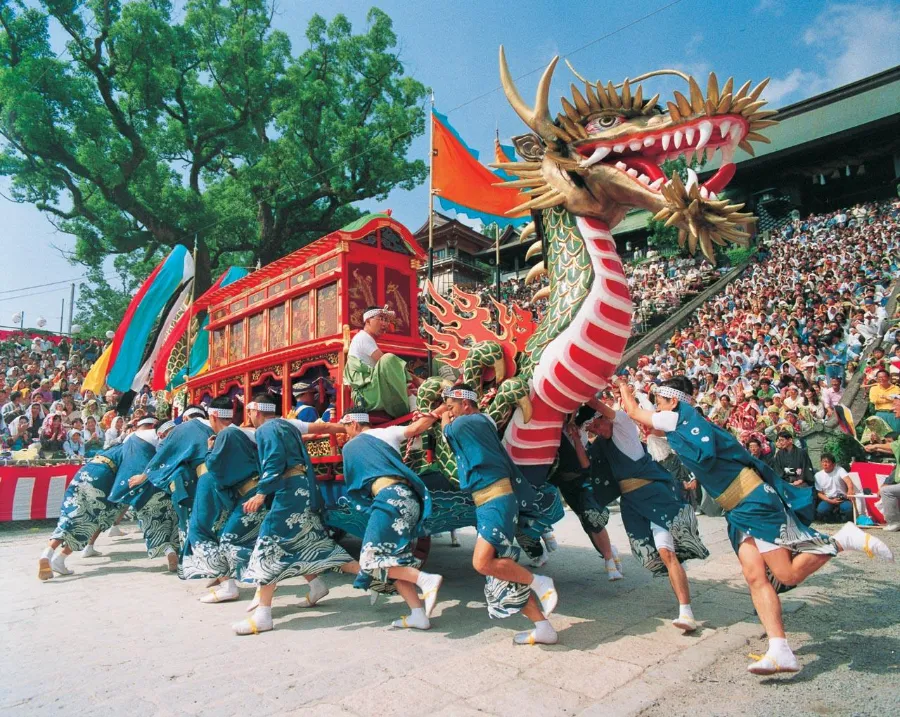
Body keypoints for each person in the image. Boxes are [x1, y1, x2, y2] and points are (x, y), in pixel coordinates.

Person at [618, 375, 893, 676]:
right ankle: (780, 650)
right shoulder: (684, 425)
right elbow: (645, 424)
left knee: (785, 573)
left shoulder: (679, 417)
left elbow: (633, 412)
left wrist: (621, 386)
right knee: (754, 576)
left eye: (658, 402)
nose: (655, 409)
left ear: (671, 401)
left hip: (751, 500)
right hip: (737, 508)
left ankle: (842, 540)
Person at [232, 394, 365, 636]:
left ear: (256, 411)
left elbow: (273, 459)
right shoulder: (286, 425)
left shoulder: (267, 429)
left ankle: (263, 615)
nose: (247, 416)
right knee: (305, 543)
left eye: (249, 411)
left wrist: (261, 493)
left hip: (288, 492)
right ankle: (373, 577)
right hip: (301, 489)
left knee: (269, 545)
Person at [441, 384, 560, 646]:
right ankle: (543, 627)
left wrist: (441, 416)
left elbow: (446, 432)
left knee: (482, 563)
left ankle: (540, 582)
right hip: (489, 501)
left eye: (451, 404)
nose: (449, 409)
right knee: (501, 575)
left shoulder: (465, 424)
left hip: (495, 499)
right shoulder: (482, 421)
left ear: (466, 403)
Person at [584, 396, 708, 632]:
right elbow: (584, 460)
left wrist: (583, 390)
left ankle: (686, 611)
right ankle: (678, 582)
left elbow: (601, 407)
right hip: (631, 503)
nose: (596, 427)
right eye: (594, 424)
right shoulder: (603, 444)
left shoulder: (624, 427)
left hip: (654, 496)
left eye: (599, 422)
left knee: (666, 551)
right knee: (652, 555)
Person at [339, 406, 447, 629]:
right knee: (393, 559)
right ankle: (418, 614)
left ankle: (424, 579)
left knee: (370, 560)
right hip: (408, 499)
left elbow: (355, 486)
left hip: (389, 499)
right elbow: (419, 427)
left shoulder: (351, 447)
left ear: (354, 424)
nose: (346, 434)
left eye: (346, 428)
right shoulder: (388, 432)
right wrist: (442, 408)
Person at [38, 417, 160, 579]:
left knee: (71, 515)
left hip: (85, 471)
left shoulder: (119, 443)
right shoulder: (137, 446)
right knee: (92, 519)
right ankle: (61, 558)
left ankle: (48, 553)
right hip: (104, 477)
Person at [554, 412, 623, 580]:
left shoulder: (578, 425)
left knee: (593, 517)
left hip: (584, 478)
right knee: (586, 523)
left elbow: (585, 463)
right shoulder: (549, 429)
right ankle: (609, 552)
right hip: (565, 483)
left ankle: (609, 561)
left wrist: (576, 437)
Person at [344, 306, 421, 418]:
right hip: (367, 395)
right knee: (387, 359)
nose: (385, 324)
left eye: (386, 320)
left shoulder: (366, 339)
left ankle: (410, 397)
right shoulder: (363, 338)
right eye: (381, 319)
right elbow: (385, 362)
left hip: (371, 390)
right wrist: (417, 380)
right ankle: (411, 400)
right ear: (368, 320)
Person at [813, 454, 853, 523]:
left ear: (834, 464)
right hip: (829, 499)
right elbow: (819, 493)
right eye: (823, 462)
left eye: (827, 462)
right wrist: (830, 501)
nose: (825, 464)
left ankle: (841, 517)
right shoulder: (818, 475)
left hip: (842, 498)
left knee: (848, 509)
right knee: (821, 511)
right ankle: (834, 517)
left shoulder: (840, 470)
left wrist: (850, 489)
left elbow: (848, 481)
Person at [868, 369, 900, 434]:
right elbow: (874, 400)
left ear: (888, 377)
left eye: (883, 377)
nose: (881, 379)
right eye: (879, 377)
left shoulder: (896, 388)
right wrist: (889, 398)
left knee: (895, 435)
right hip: (880, 414)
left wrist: (884, 397)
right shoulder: (874, 388)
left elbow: (896, 400)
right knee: (880, 436)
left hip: (894, 414)